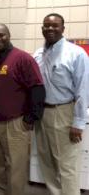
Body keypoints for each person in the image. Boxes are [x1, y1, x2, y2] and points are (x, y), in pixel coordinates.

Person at [0, 23, 45, 195]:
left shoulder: (22, 58)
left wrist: (32, 117)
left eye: (1, 35)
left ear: (9, 35)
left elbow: (37, 88)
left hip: (14, 123)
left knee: (16, 164)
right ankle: (2, 189)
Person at [34, 13, 89, 195]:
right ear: (42, 28)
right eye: (46, 26)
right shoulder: (38, 55)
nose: (50, 29)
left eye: (55, 26)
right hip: (43, 114)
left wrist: (78, 122)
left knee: (67, 165)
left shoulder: (76, 53)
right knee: (47, 162)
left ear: (63, 29)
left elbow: (83, 89)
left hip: (64, 112)